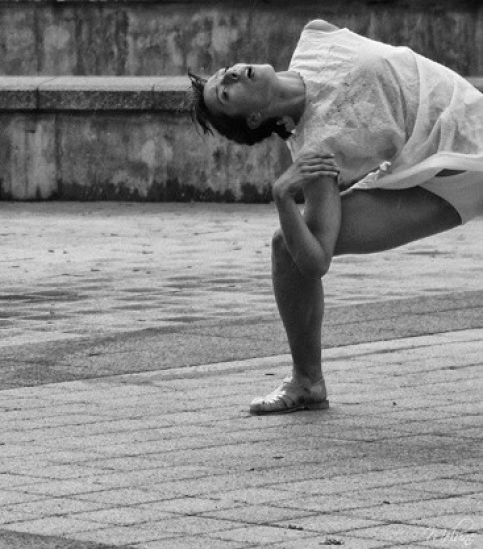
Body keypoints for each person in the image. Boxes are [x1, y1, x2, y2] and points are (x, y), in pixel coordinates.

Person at [188, 19, 483, 415]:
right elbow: (315, 260)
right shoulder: (314, 148)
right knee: (286, 247)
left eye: (226, 72)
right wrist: (281, 197)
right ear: (253, 119)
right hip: (437, 185)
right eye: (226, 92)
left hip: (474, 132)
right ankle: (307, 381)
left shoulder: (315, 36)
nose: (234, 74)